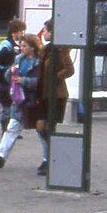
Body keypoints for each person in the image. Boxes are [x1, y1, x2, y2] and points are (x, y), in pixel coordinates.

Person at [0, 33, 41, 168]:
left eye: (24, 46)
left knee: (41, 131)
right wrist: (10, 72)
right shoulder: (18, 59)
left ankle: (48, 158)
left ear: (32, 48)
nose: (21, 48)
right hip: (19, 99)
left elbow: (40, 82)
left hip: (33, 100)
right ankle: (1, 156)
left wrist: (24, 80)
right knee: (11, 128)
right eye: (21, 45)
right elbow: (7, 78)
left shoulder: (39, 62)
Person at [30, 19, 75, 176]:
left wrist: (57, 76)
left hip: (56, 94)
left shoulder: (60, 50)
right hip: (44, 93)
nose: (43, 33)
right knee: (40, 126)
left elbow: (69, 69)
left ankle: (53, 160)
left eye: (45, 31)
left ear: (52, 32)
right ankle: (53, 156)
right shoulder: (47, 49)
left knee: (49, 127)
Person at [0, 18, 26, 134]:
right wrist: (13, 53)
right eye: (21, 32)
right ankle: (5, 130)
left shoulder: (18, 45)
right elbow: (0, 59)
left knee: (13, 108)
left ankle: (12, 130)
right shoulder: (6, 44)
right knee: (6, 108)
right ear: (15, 32)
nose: (22, 34)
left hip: (13, 82)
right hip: (4, 82)